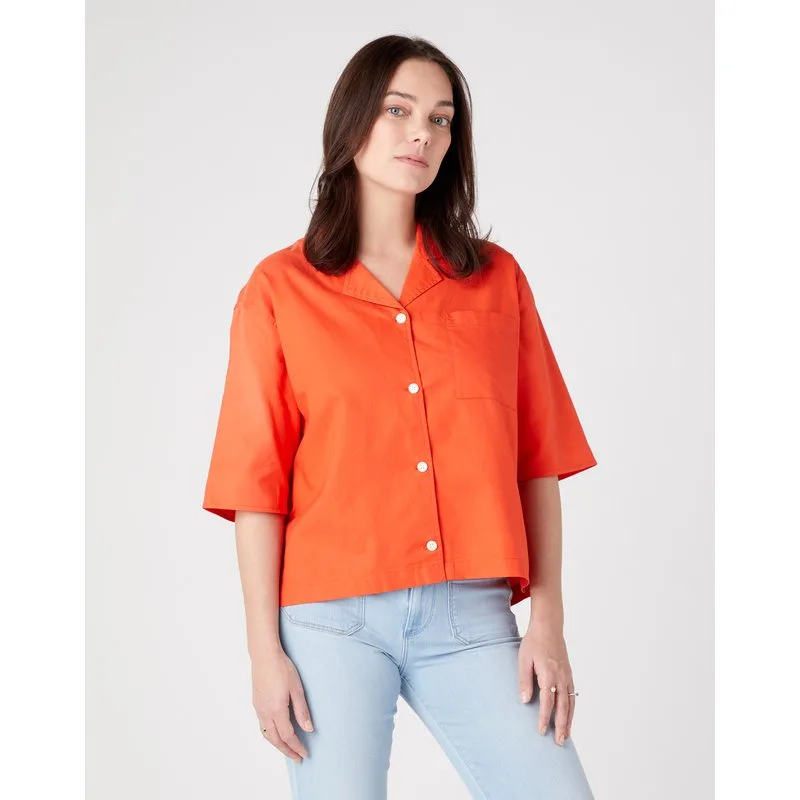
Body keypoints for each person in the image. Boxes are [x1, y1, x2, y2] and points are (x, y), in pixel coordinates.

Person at [202, 35, 598, 800]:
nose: (422, 133)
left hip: (470, 613)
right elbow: (256, 489)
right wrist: (264, 654)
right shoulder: (279, 290)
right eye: (398, 110)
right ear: (352, 122)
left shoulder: (497, 281)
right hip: (329, 621)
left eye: (441, 119)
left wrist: (547, 621)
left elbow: (537, 462)